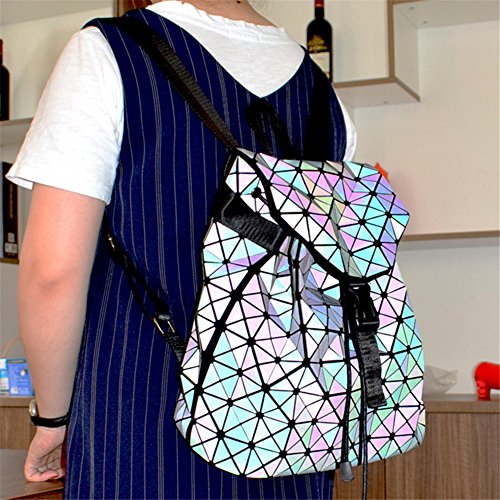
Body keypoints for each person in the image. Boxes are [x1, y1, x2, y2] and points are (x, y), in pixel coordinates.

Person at [7, 0, 356, 498]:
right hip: (295, 431)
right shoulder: (323, 95)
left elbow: (52, 273)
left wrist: (52, 419)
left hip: (141, 429)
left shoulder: (108, 53)